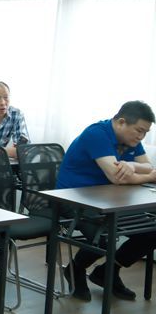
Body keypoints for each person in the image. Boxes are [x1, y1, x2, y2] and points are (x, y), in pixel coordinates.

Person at [57, 101, 156, 302]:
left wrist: (131, 165)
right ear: (121, 122)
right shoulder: (97, 134)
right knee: (103, 237)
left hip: (108, 200)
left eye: (145, 133)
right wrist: (148, 175)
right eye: (139, 131)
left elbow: (148, 165)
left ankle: (107, 271)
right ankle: (75, 269)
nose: (141, 137)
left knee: (151, 232)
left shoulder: (131, 140)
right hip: (74, 199)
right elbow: (118, 177)